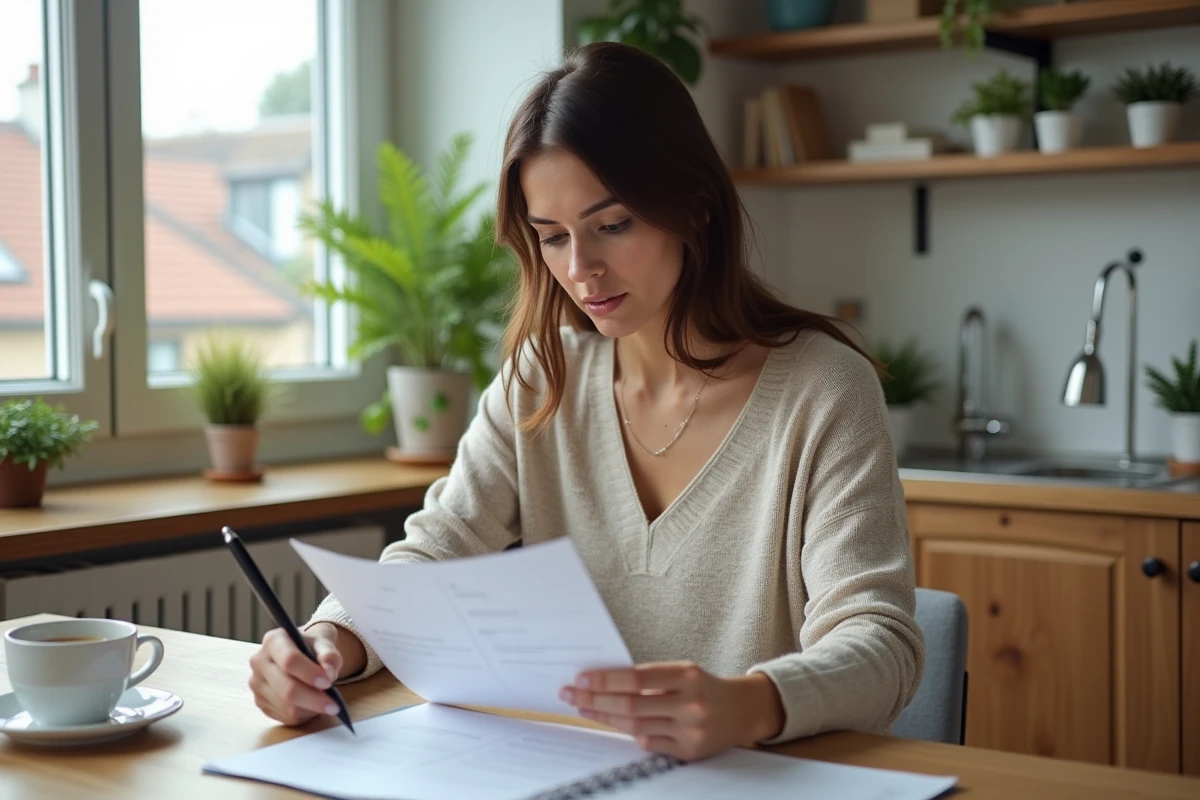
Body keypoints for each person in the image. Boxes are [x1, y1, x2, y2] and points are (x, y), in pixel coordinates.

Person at [248, 42, 923, 762]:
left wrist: (748, 703)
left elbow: (880, 644)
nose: (581, 269)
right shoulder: (542, 379)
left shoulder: (822, 390)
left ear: (693, 205)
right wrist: (330, 641)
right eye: (552, 237)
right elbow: (438, 548)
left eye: (613, 225)